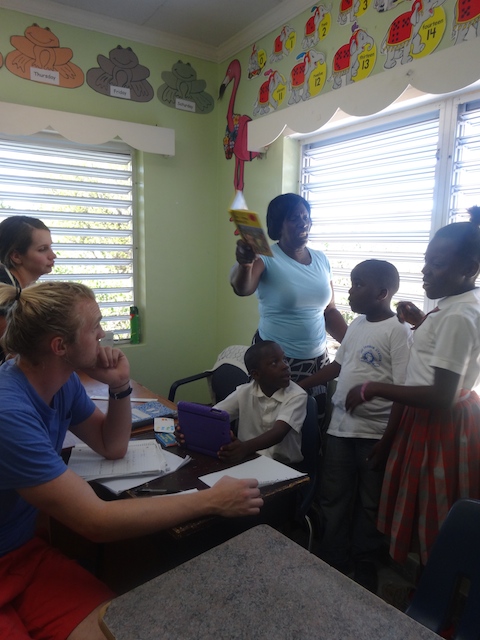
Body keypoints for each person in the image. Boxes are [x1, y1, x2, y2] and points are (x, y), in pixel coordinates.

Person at [0, 281, 263, 640]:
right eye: (94, 327)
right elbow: (95, 521)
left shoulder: (61, 382)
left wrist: (120, 386)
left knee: (118, 627)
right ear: (60, 346)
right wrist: (212, 499)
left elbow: (113, 446)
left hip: (20, 555)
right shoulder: (8, 412)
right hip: (10, 556)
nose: (103, 333)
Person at [346, 209, 480, 567]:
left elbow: (441, 394)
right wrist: (422, 323)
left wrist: (375, 387)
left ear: (468, 267)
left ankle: (436, 600)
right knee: (428, 510)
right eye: (425, 261)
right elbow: (444, 354)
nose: (424, 271)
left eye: (437, 263)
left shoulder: (457, 315)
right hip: (435, 421)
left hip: (437, 424)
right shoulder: (456, 305)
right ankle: (429, 589)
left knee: (432, 513)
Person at [298, 260, 410, 591]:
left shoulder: (398, 332)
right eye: (351, 282)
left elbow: (403, 392)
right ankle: (334, 555)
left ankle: (365, 559)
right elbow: (336, 367)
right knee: (334, 494)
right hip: (340, 431)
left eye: (358, 284)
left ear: (381, 293)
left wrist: (388, 440)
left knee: (369, 501)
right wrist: (298, 386)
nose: (349, 290)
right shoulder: (357, 324)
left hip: (375, 436)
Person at [229, 194, 347, 408]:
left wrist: (352, 342)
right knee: (272, 422)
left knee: (312, 424)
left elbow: (329, 310)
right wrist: (245, 265)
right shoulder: (265, 257)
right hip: (277, 362)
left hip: (318, 362)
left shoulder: (321, 259)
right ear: (278, 224)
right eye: (294, 217)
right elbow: (243, 289)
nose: (303, 222)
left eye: (306, 216)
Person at [215, 340, 308, 465]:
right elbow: (213, 416)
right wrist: (185, 429)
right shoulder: (244, 392)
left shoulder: (296, 395)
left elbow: (278, 433)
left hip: (282, 466)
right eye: (274, 363)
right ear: (256, 374)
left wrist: (245, 448)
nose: (285, 366)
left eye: (284, 359)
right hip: (248, 459)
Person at [0, 215, 56, 289]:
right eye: (42, 249)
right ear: (16, 256)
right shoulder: (6, 297)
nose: (53, 255)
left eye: (50, 247)